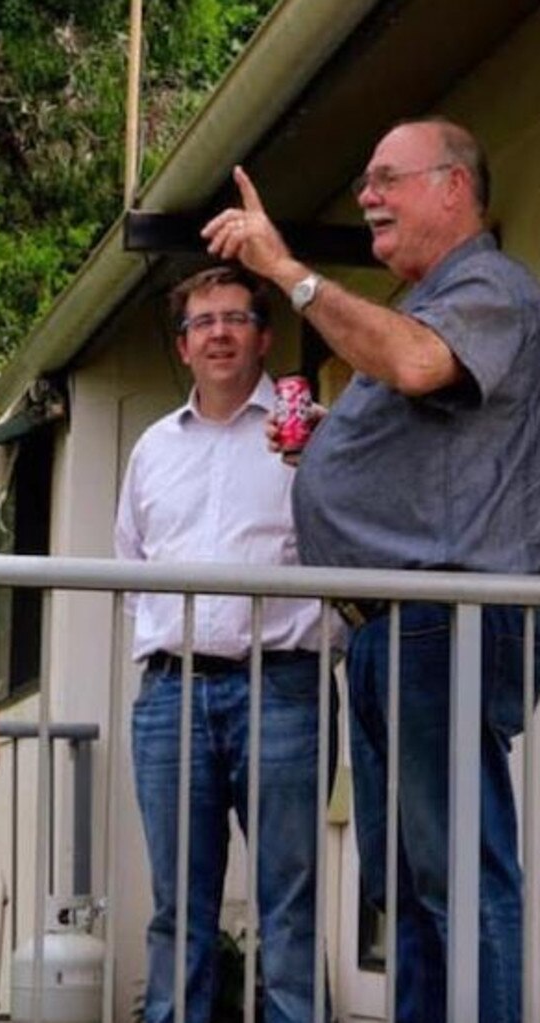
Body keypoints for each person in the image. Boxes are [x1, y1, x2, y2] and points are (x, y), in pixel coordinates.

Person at [202, 117, 540, 1023]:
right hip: (394, 626)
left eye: (386, 178)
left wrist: (288, 271)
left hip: (444, 616)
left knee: (461, 874)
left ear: (453, 189)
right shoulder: (435, 300)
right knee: (410, 878)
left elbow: (417, 362)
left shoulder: (493, 288)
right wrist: (330, 451)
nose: (366, 197)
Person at [115, 266, 341, 1023]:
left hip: (282, 687)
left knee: (290, 899)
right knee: (179, 902)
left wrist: (321, 642)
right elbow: (131, 564)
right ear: (182, 346)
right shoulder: (151, 448)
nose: (218, 333)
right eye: (202, 321)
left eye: (235, 318)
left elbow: (344, 546)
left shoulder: (309, 429)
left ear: (265, 335)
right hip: (170, 694)